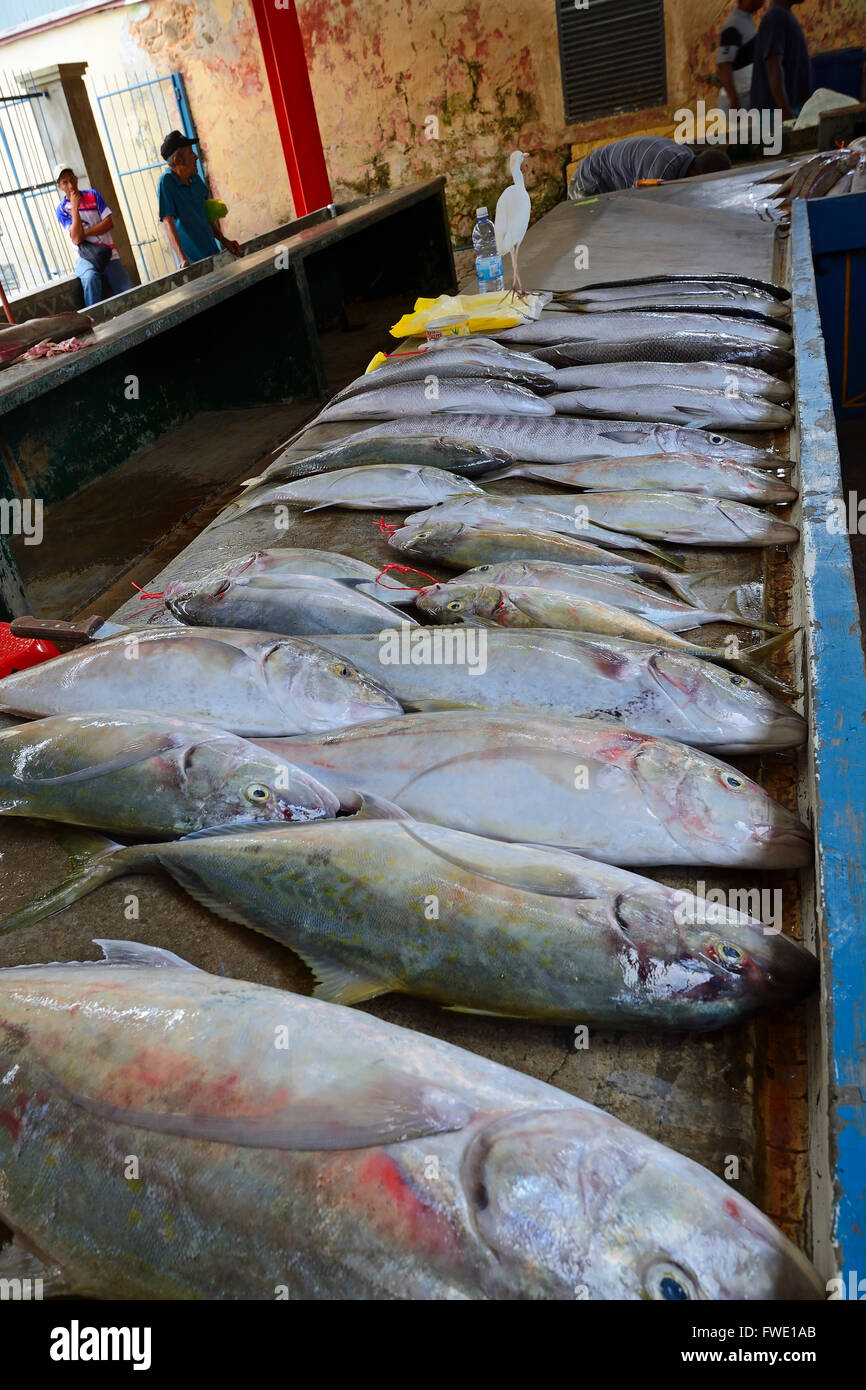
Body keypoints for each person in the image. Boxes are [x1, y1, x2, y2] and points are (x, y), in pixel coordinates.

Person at [157, 130, 242, 269]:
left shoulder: (195, 179)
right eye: (190, 153)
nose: (196, 156)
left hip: (213, 254)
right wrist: (182, 258)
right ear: (178, 160)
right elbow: (168, 222)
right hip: (192, 264)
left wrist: (224, 240)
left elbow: (204, 216)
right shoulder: (166, 182)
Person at [54, 164, 133, 308]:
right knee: (90, 279)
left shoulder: (93, 195)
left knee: (128, 291)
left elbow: (108, 223)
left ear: (77, 179)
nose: (71, 185)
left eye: (72, 179)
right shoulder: (61, 210)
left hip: (109, 254)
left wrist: (85, 233)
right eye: (65, 182)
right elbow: (77, 239)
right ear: (59, 186)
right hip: (86, 257)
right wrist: (75, 207)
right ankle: (93, 319)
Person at [568, 137, 732, 199]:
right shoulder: (662, 171)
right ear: (696, 175)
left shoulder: (685, 154)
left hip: (608, 178)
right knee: (588, 238)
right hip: (591, 180)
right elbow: (640, 208)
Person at [750, 0, 812, 121]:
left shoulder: (784, 15)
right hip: (776, 114)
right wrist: (784, 110)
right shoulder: (775, 17)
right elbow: (773, 66)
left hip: (786, 110)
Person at [717, 1, 766, 112]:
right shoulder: (733, 25)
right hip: (737, 103)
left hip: (745, 98)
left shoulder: (746, 21)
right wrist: (734, 100)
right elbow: (724, 65)